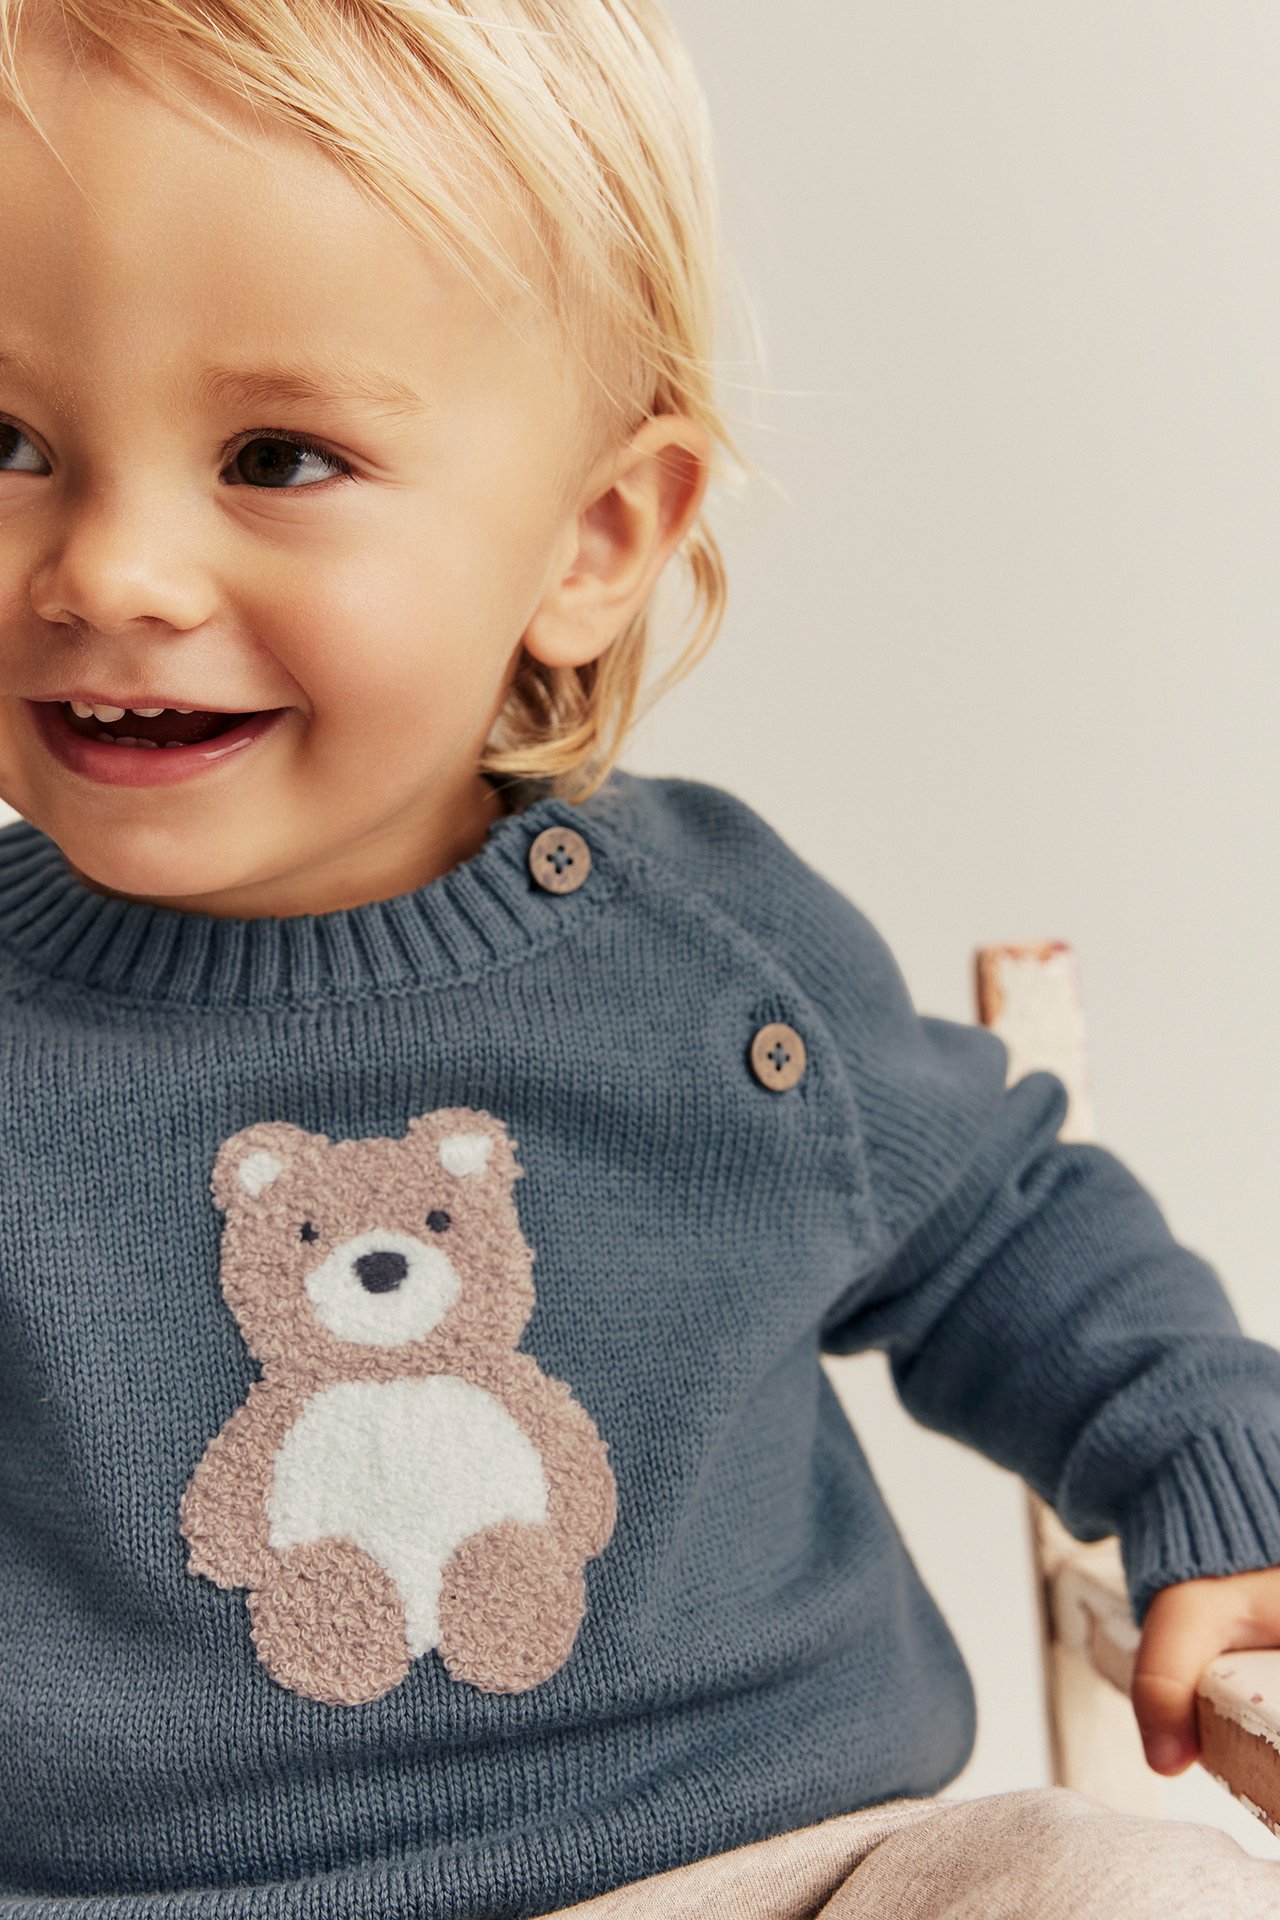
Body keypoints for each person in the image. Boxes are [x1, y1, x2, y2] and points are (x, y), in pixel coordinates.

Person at [0, 2, 1276, 1916]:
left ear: (593, 539)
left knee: (1115, 1886)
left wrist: (1216, 1464)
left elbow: (1004, 1234)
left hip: (774, 1868)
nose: (108, 570)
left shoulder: (716, 968)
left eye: (277, 455)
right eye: (8, 440)